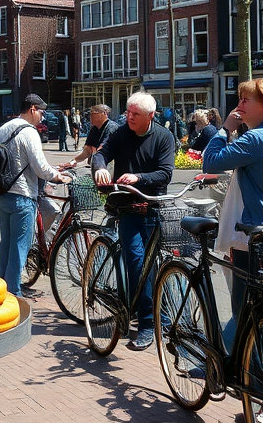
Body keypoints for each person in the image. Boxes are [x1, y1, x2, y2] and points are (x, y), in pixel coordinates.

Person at [201, 78, 263, 354]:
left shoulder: (256, 138)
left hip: (252, 236)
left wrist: (224, 129)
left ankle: (237, 366)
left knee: (245, 307)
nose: (238, 105)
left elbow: (210, 163)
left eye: (246, 100)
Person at [92, 91, 176, 351]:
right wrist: (101, 168)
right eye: (128, 112)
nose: (129, 117)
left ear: (150, 116)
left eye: (135, 114)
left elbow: (165, 173)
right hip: (127, 208)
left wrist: (139, 178)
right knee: (137, 263)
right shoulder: (121, 134)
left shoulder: (164, 137)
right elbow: (100, 154)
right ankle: (147, 323)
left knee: (152, 266)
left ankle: (156, 316)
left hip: (151, 209)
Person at [0, 94, 71, 297]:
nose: (43, 117)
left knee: (6, 242)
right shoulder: (29, 132)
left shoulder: (4, 127)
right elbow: (40, 167)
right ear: (33, 109)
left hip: (1, 193)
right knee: (20, 244)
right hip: (21, 194)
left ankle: (2, 287)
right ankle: (14, 291)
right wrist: (57, 176)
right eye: (42, 112)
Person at [61, 103, 119, 169]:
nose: (91, 117)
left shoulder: (112, 127)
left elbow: (102, 150)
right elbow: (87, 151)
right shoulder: (94, 128)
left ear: (104, 114)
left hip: (110, 165)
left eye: (94, 114)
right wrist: (73, 162)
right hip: (98, 164)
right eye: (90, 114)